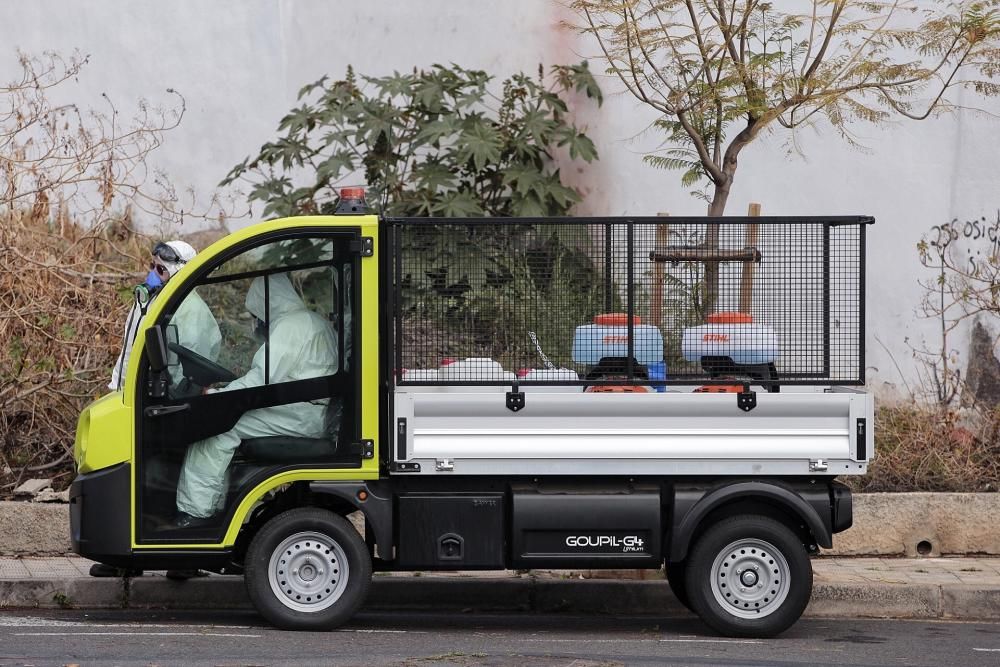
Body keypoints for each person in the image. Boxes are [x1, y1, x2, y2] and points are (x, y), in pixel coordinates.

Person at [175, 272, 339, 524]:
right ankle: (215, 506)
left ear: (267, 302)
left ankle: (194, 515)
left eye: (256, 314)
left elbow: (260, 380)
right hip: (310, 411)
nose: (257, 321)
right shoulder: (310, 320)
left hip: (302, 415)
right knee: (227, 418)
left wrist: (214, 396)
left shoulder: (291, 326)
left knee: (217, 428)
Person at [108, 241, 222, 393]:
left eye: (161, 269)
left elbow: (188, 370)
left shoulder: (192, 310)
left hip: (170, 399)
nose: (153, 274)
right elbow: (130, 348)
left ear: (179, 273)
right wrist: (116, 386)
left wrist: (171, 395)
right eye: (152, 266)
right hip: (139, 392)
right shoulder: (149, 301)